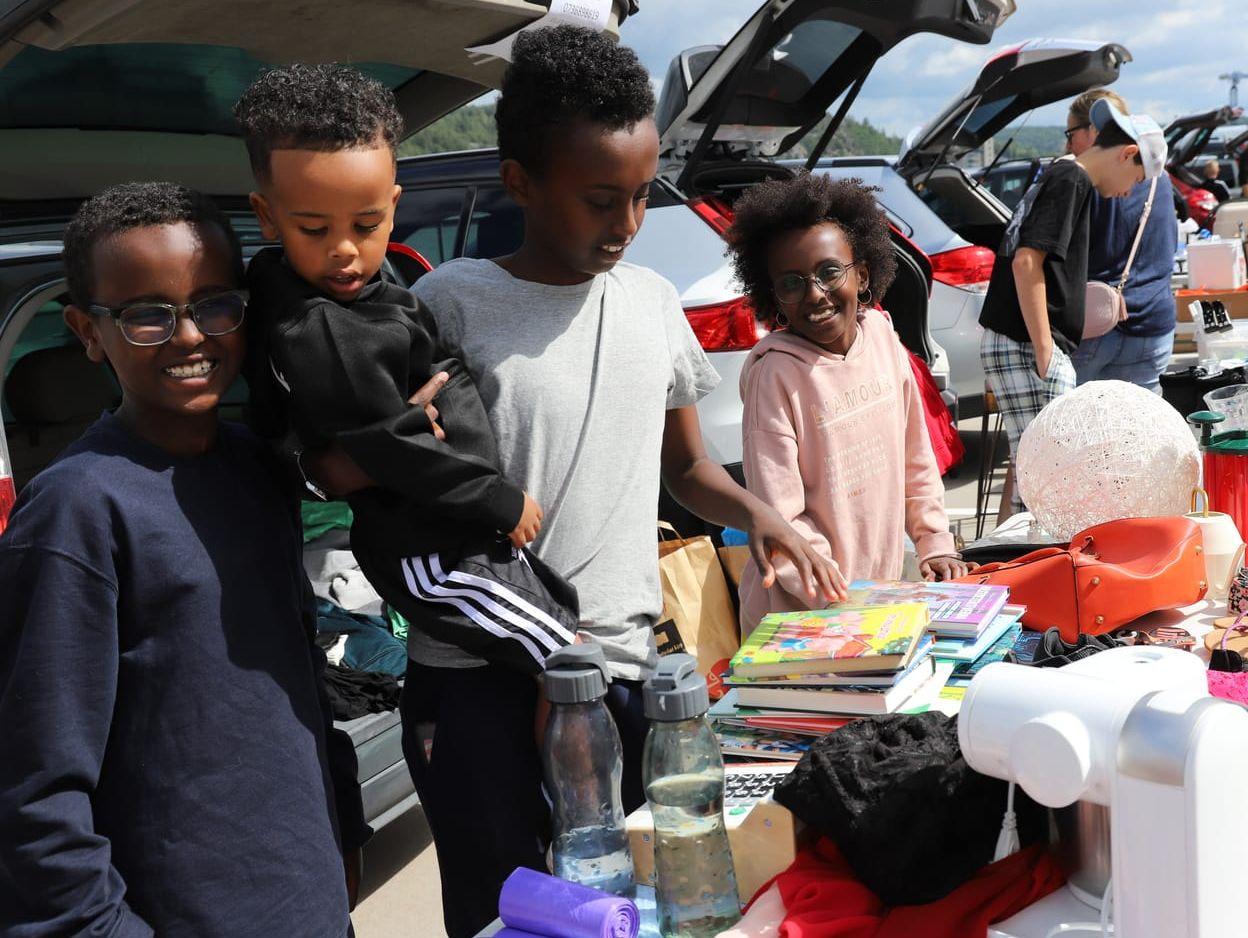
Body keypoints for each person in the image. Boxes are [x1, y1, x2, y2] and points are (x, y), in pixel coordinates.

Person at [305, 26, 840, 937]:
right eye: (601, 200)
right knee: (506, 911)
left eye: (640, 196)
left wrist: (763, 516)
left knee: (635, 905)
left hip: (623, 673)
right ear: (521, 182)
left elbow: (688, 469)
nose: (627, 224)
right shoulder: (449, 305)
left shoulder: (653, 302)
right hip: (479, 685)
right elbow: (346, 467)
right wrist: (382, 445)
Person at [0, 183, 365, 936]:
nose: (190, 336)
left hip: (308, 903)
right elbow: (33, 794)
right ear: (87, 331)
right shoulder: (78, 510)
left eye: (213, 304)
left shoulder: (254, 468)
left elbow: (295, 686)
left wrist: (344, 832)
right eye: (145, 315)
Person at [234, 64, 579, 680]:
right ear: (267, 215)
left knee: (556, 637)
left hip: (452, 527)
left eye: (366, 226)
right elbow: (388, 443)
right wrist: (498, 499)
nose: (344, 249)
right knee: (561, 655)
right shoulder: (317, 326)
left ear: (394, 207)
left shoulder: (352, 293)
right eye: (313, 229)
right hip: (427, 545)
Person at [724, 172, 967, 630]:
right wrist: (840, 598)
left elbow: (916, 457)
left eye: (829, 271)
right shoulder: (774, 376)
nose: (815, 293)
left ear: (864, 273)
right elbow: (781, 516)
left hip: (872, 599)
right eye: (792, 283)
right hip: (800, 617)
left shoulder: (882, 336)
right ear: (772, 294)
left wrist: (935, 542)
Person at [979, 97, 1167, 507]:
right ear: (1127, 153)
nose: (1127, 192)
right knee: (1048, 475)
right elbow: (1028, 261)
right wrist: (1045, 348)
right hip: (1028, 343)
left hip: (1025, 341)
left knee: (1040, 469)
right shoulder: (1072, 180)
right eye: (1137, 179)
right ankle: (1032, 564)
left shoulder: (1065, 175)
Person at [1061, 90, 1180, 393]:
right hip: (1153, 322)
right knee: (1139, 431)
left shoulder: (1087, 181)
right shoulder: (1158, 176)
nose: (1068, 144)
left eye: (1071, 133)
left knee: (1079, 432)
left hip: (1093, 325)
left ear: (1093, 132)